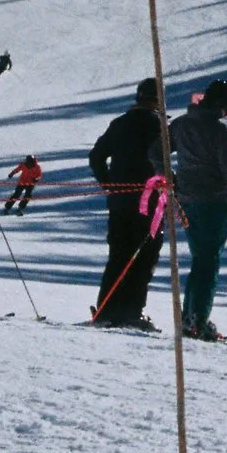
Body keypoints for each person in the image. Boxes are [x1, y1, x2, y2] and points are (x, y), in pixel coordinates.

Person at [169, 77, 227, 341]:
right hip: (213, 201)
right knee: (209, 260)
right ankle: (198, 319)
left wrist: (171, 177)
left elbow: (156, 151)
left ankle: (190, 318)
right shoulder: (221, 131)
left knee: (200, 258)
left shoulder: (180, 125)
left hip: (185, 199)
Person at [89, 79, 167, 329]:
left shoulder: (120, 123)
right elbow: (162, 161)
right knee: (144, 257)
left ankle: (106, 309)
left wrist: (109, 184)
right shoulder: (157, 126)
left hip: (120, 201)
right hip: (148, 202)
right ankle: (132, 311)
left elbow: (96, 156)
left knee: (119, 255)